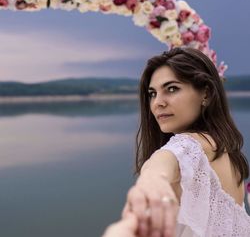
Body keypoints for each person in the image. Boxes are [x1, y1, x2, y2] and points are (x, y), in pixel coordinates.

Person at [103, 47, 250, 237]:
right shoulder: (225, 151)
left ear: (205, 94)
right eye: (152, 93)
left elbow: (165, 161)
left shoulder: (192, 144)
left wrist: (152, 181)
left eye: (172, 89)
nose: (158, 103)